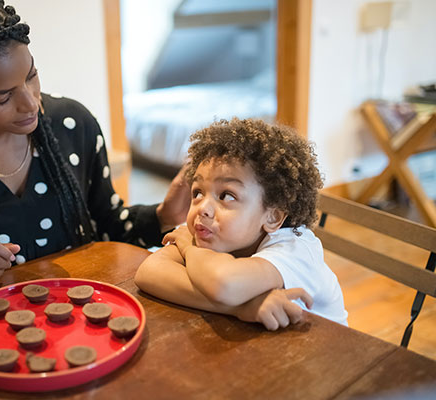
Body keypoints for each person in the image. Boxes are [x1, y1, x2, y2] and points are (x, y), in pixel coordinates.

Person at [0, 0, 189, 296]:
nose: (30, 103)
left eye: (31, 76)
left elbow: (108, 227)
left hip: (83, 310)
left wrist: (164, 216)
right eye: (2, 98)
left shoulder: (73, 123)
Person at [134, 118, 348, 330]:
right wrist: (240, 308)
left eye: (227, 196)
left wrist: (188, 248)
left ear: (272, 217)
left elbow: (224, 284)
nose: (203, 209)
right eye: (198, 192)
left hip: (330, 354)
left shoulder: (295, 249)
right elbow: (149, 272)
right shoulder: (211, 231)